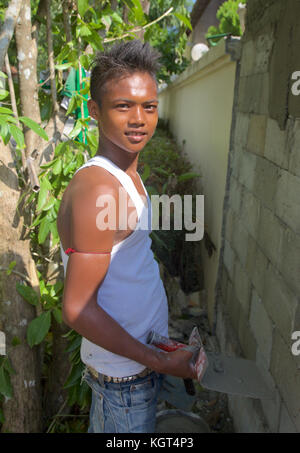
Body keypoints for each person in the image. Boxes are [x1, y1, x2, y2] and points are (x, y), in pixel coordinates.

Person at [57, 39, 196, 434]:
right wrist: (156, 361)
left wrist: (157, 347)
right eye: (123, 106)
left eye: (149, 106)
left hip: (139, 362)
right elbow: (77, 310)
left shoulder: (127, 173)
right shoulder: (101, 190)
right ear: (94, 111)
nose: (139, 118)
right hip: (125, 383)